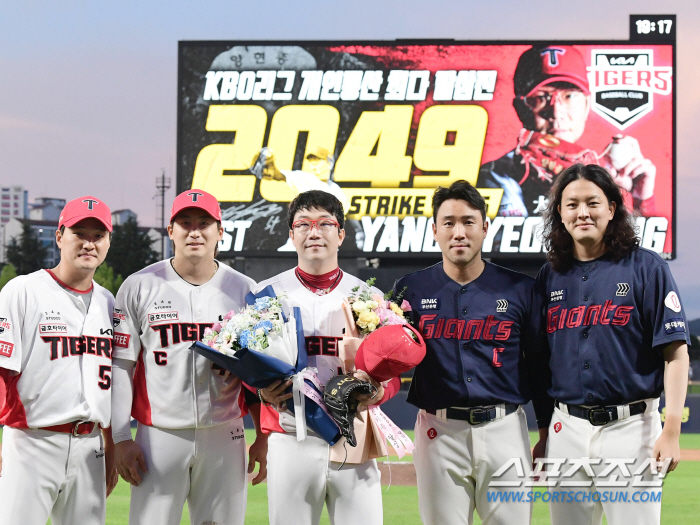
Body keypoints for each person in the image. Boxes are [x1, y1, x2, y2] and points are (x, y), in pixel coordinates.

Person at [532, 163, 689, 525]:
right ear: (560, 213)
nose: (582, 212)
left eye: (592, 202)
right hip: (565, 430)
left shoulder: (646, 267)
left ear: (612, 208)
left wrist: (671, 430)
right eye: (571, 204)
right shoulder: (549, 276)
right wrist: (544, 433)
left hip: (631, 430)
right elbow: (540, 362)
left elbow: (676, 355)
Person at [110, 189, 267, 525]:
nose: (194, 231)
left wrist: (264, 436)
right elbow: (121, 366)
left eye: (204, 223)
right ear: (170, 231)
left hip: (226, 432)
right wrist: (121, 438)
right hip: (159, 434)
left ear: (220, 231)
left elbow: (260, 373)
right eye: (185, 223)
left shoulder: (245, 289)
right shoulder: (139, 285)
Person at [392, 180, 542, 525]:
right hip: (438, 430)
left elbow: (539, 366)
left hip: (505, 427)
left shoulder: (521, 289)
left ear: (485, 228)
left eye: (468, 221)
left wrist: (546, 432)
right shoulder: (410, 289)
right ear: (434, 230)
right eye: (448, 222)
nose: (458, 231)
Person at [256, 189, 400, 525]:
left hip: (354, 434)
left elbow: (389, 373)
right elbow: (249, 366)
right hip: (291, 435)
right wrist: (261, 392)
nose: (314, 232)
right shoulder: (266, 293)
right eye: (303, 224)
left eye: (324, 223)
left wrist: (379, 393)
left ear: (341, 234)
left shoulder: (369, 295)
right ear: (291, 234)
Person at [0, 196, 117, 525]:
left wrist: (110, 445)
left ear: (108, 242)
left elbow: (109, 382)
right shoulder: (22, 290)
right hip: (32, 442)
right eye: (80, 233)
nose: (89, 243)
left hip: (90, 445)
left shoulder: (109, 303)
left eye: (98, 235)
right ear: (59, 236)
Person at [477, 45, 657, 217]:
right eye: (541, 97)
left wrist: (641, 201)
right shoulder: (498, 173)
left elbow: (637, 247)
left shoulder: (605, 176)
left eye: (569, 96)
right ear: (520, 109)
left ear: (586, 106)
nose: (557, 112)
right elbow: (517, 244)